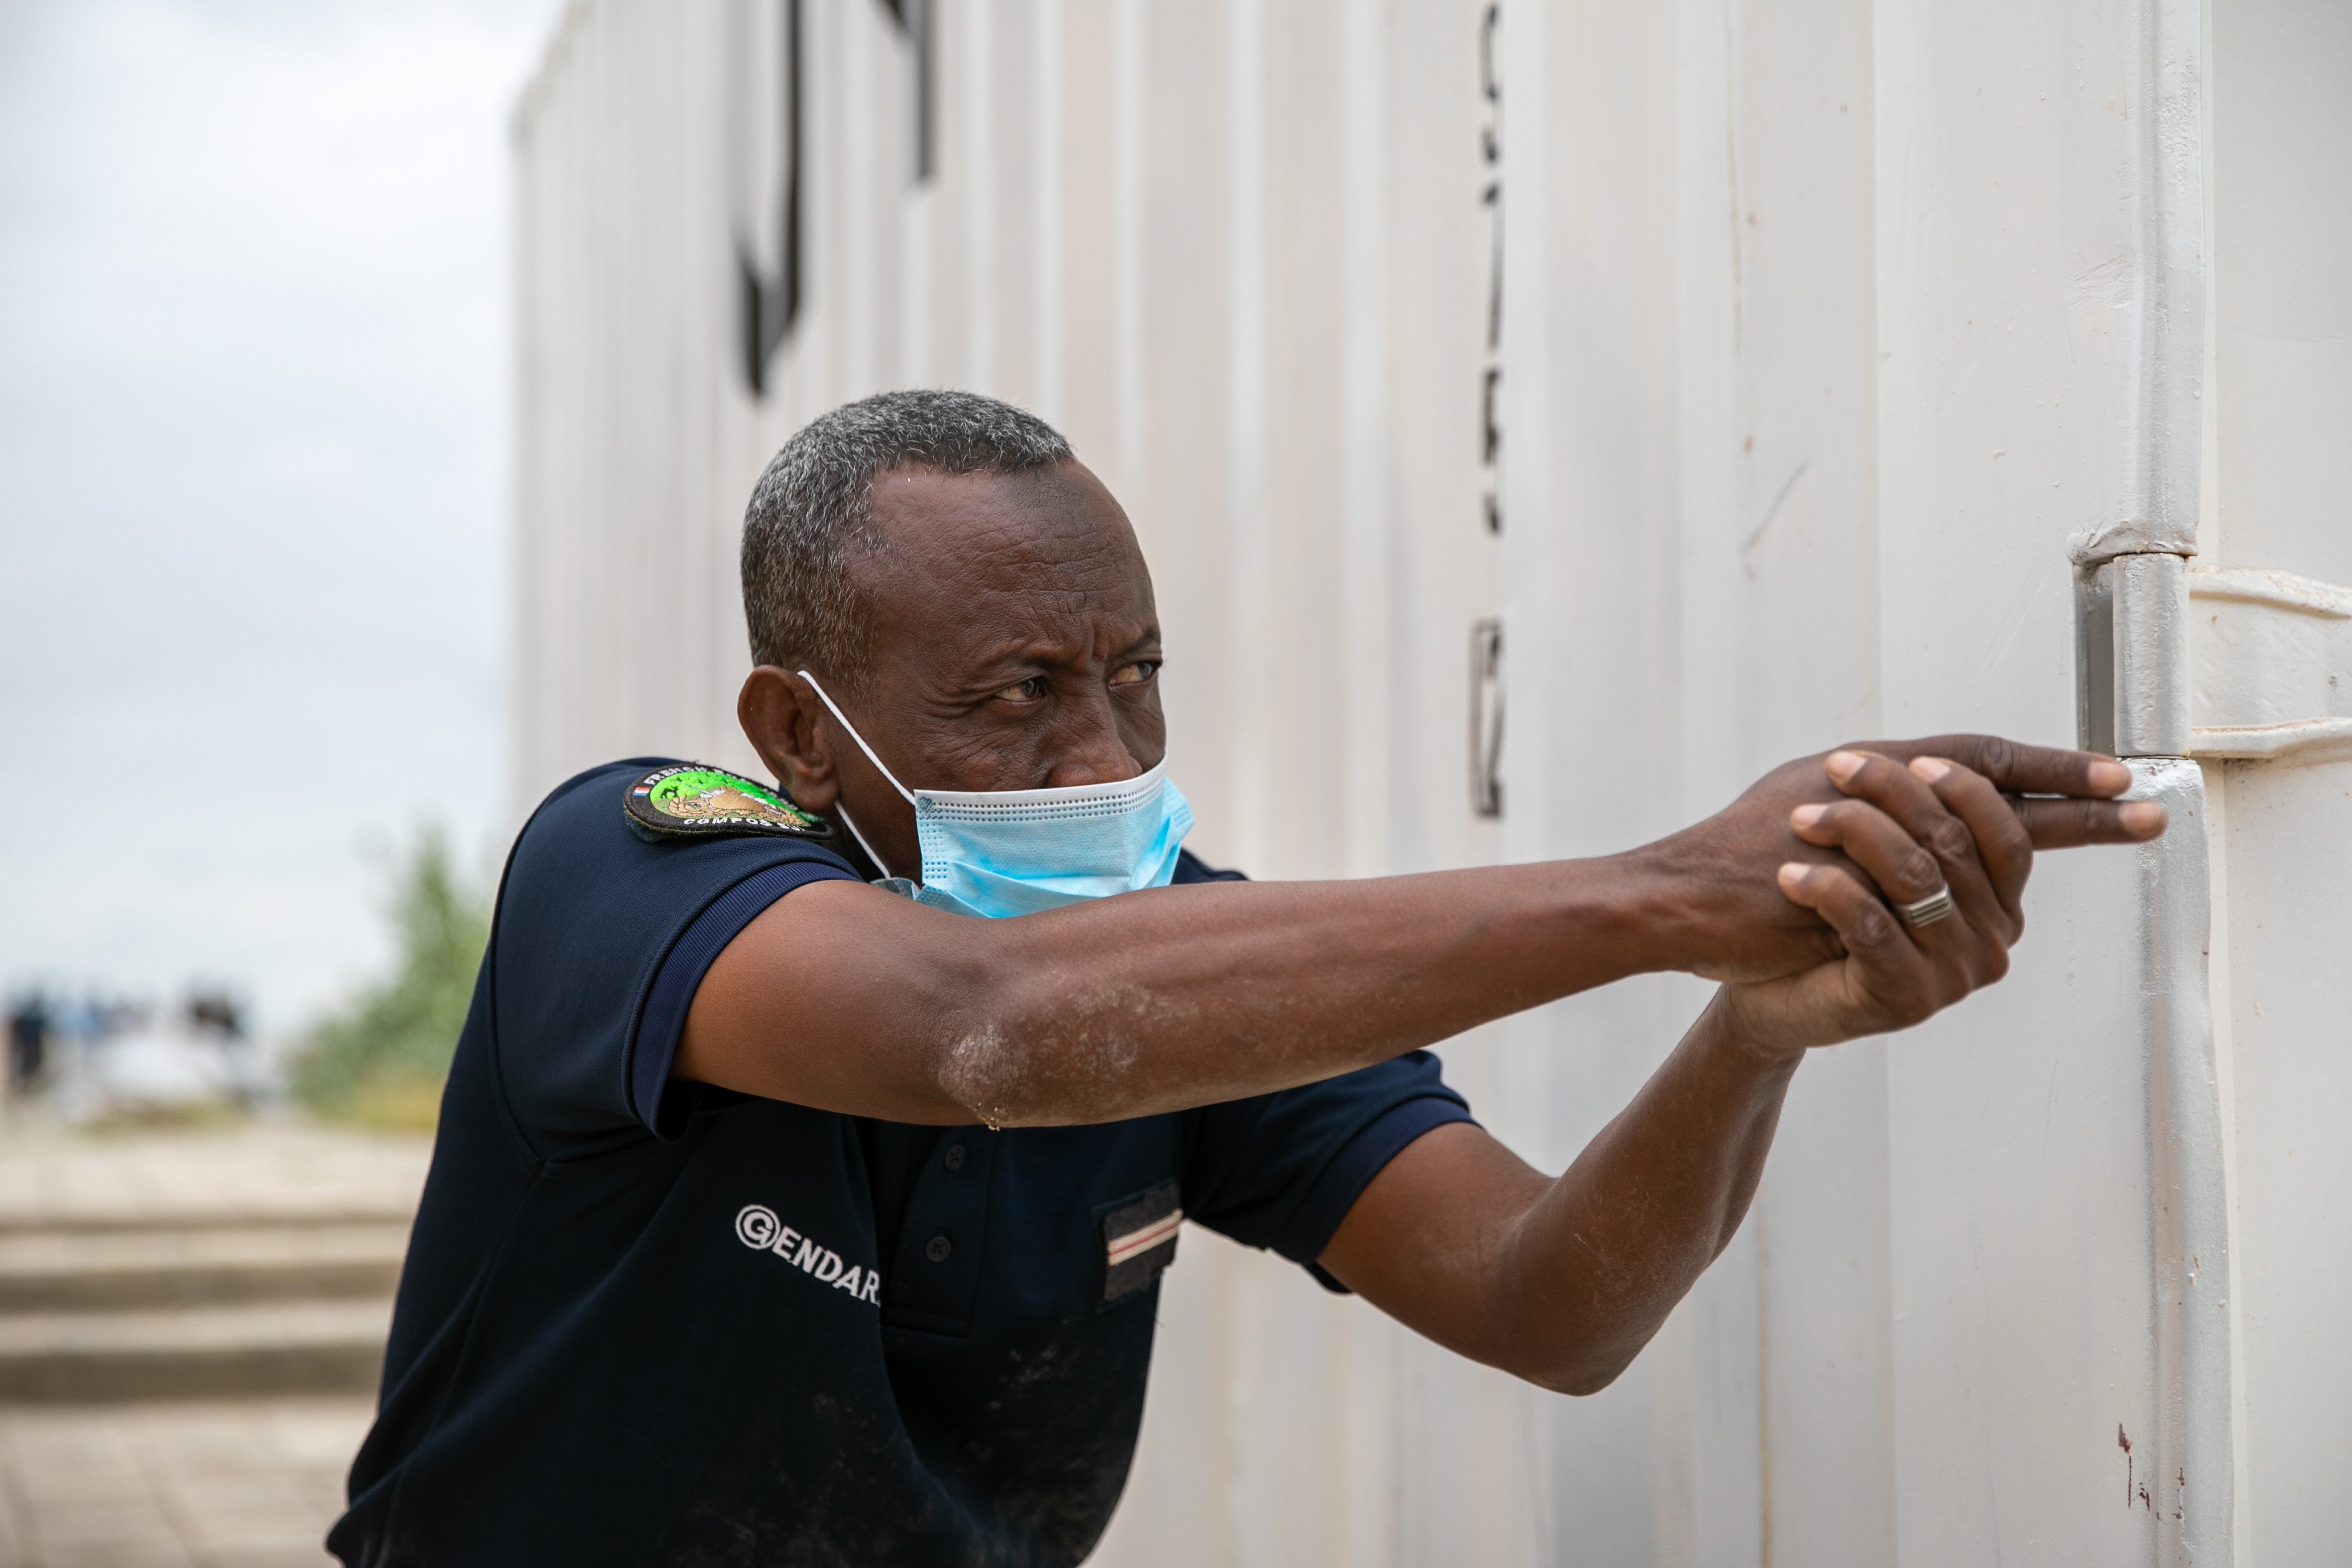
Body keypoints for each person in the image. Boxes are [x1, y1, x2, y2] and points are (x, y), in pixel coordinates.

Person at [330, 392, 2163, 1567]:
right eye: (1020, 693)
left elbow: (1549, 1307)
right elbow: (979, 1028)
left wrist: (1751, 1031)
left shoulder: (1198, 975)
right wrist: (1675, 894)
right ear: (801, 735)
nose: (1107, 751)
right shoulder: (636, 873)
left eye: (1136, 674)